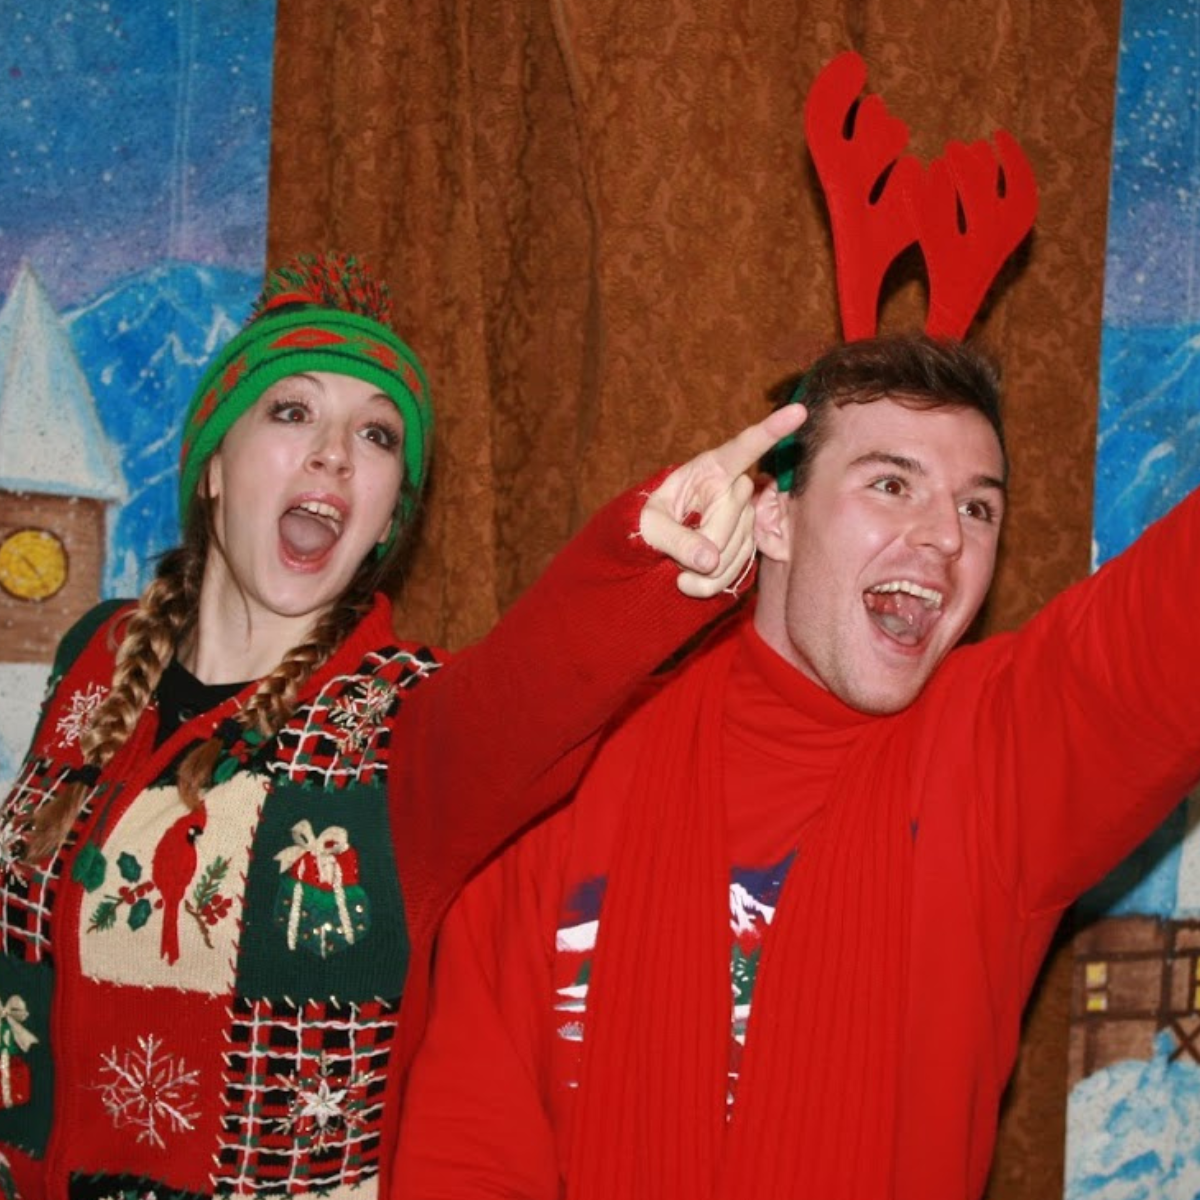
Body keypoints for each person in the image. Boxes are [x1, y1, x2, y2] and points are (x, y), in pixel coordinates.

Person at [0, 253, 803, 1199]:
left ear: (385, 520)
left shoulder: (406, 723)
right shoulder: (97, 653)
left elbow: (541, 686)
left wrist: (646, 567)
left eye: (377, 436)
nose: (335, 454)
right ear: (212, 469)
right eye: (293, 412)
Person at [393, 331, 1200, 1200]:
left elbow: (1168, 618)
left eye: (978, 509)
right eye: (892, 484)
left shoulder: (1001, 753)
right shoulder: (572, 761)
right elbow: (470, 1142)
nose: (943, 539)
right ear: (774, 514)